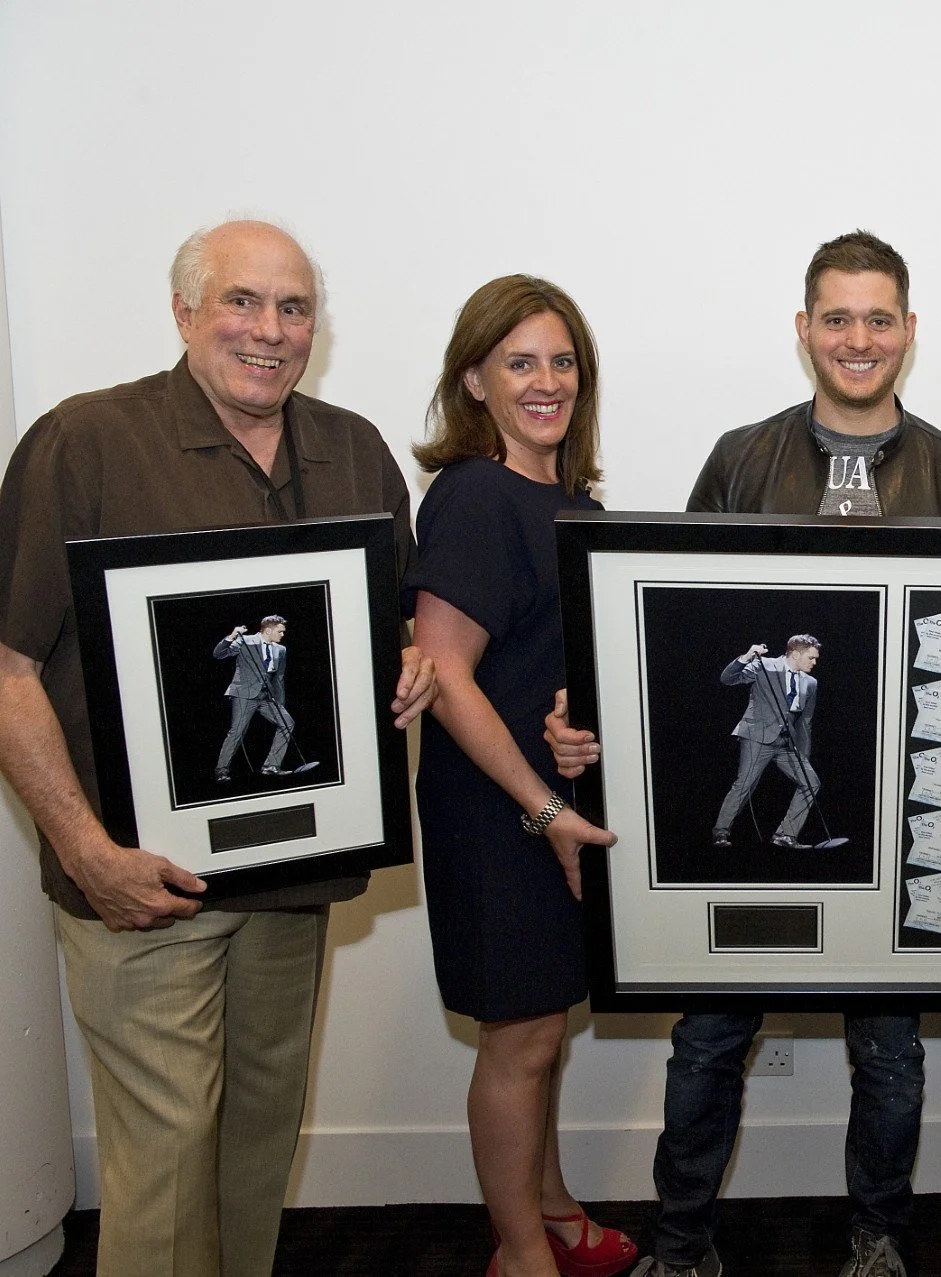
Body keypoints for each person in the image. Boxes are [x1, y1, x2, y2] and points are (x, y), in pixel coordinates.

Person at [548, 229, 941, 1277]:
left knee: (888, 1052)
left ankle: (881, 1238)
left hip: (897, 824)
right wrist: (597, 719)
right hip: (736, 860)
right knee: (709, 1041)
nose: (860, 339)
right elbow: (670, 633)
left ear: (910, 330)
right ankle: (681, 1245)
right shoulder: (738, 455)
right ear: (804, 328)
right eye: (839, 318)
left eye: (880, 318)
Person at [0, 219, 435, 1276]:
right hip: (140, 887)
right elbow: (8, 669)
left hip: (293, 875)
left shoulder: (354, 448)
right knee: (163, 1161)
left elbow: (391, 619)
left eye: (294, 308)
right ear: (186, 311)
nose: (270, 330)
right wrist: (88, 852)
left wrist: (411, 656)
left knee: (254, 1144)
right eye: (242, 300)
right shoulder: (86, 442)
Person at [408, 275, 631, 1277]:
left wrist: (576, 749)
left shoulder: (572, 502)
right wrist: (541, 803)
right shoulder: (473, 494)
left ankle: (552, 1211)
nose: (546, 381)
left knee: (544, 1028)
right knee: (520, 1041)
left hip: (550, 805)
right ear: (474, 378)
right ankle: (520, 1254)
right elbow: (446, 675)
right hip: (495, 811)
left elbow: (547, 666)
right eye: (519, 361)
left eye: (562, 360)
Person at [713, 635, 824, 848]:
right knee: (744, 785)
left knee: (811, 782)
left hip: (786, 742)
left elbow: (805, 723)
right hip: (758, 737)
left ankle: (786, 835)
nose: (814, 662)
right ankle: (721, 832)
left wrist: (804, 756)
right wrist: (747, 656)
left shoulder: (810, 683)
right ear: (796, 653)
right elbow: (728, 679)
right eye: (811, 658)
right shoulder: (764, 665)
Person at [213, 614, 296, 779]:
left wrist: (280, 703)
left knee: (287, 723)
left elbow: (279, 679)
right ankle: (221, 770)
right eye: (280, 632)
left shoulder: (281, 650)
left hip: (266, 697)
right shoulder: (245, 641)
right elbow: (219, 654)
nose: (282, 635)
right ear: (268, 630)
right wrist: (232, 636)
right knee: (237, 731)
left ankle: (271, 765)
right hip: (245, 694)